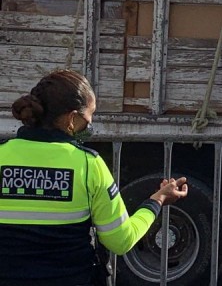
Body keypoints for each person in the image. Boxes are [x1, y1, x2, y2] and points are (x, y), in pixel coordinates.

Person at [0, 69, 189, 286]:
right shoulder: (89, 165)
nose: (90, 123)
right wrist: (157, 201)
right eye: (90, 115)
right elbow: (121, 240)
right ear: (72, 118)